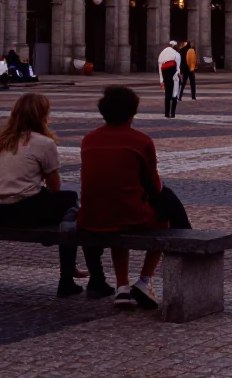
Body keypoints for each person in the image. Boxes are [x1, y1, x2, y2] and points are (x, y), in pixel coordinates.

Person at [0, 93, 110, 298]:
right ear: (42, 116)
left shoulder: (0, 139)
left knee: (65, 206)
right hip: (23, 211)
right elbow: (54, 187)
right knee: (71, 203)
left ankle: (73, 273)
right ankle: (71, 278)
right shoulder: (43, 143)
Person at [79, 86, 192, 309]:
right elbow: (155, 187)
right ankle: (144, 280)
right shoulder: (141, 141)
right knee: (161, 217)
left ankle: (122, 287)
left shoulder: (88, 139)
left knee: (117, 214)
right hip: (126, 216)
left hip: (92, 217)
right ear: (133, 113)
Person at [157, 41, 181, 118]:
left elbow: (160, 69)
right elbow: (178, 67)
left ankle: (166, 114)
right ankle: (172, 113)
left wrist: (161, 80)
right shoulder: (176, 54)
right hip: (174, 76)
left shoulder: (162, 55)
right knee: (174, 94)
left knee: (167, 95)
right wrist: (177, 76)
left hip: (165, 77)